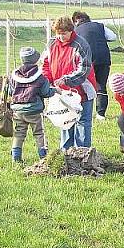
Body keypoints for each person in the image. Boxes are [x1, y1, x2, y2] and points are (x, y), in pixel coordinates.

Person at [42, 16, 96, 149]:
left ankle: (83, 153)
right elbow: (45, 64)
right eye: (58, 34)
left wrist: (66, 79)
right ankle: (66, 153)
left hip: (82, 90)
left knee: (82, 122)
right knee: (66, 120)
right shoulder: (51, 44)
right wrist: (47, 81)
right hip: (62, 92)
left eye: (64, 34)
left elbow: (83, 69)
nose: (61, 37)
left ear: (71, 31)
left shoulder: (81, 45)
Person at [8, 47, 54, 163]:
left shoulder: (14, 76)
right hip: (34, 111)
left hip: (18, 111)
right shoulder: (40, 76)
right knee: (39, 133)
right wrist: (54, 91)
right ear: (35, 59)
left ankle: (16, 158)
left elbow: (10, 91)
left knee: (19, 133)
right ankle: (43, 157)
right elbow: (45, 92)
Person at [72, 11, 117, 120]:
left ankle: (81, 110)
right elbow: (113, 37)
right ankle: (100, 113)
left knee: (81, 85)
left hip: (86, 59)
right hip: (103, 58)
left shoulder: (75, 31)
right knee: (101, 85)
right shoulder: (99, 26)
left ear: (75, 21)